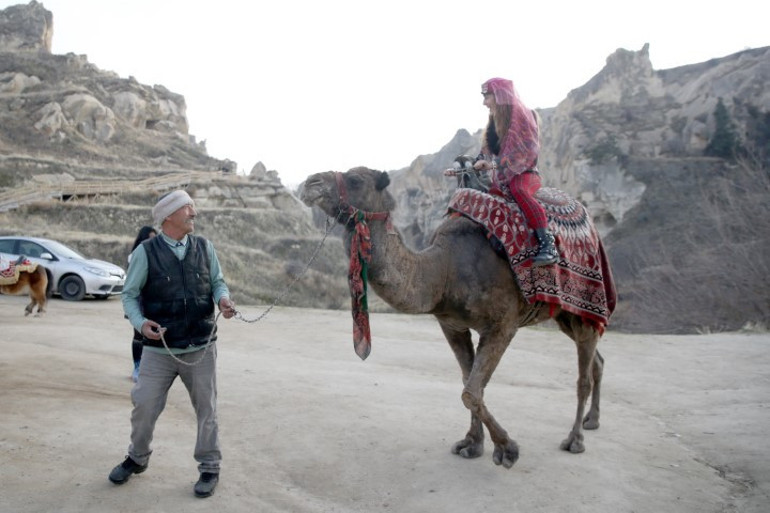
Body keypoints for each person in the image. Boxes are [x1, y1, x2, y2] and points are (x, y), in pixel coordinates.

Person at [109, 190, 236, 498]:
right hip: (158, 350)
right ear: (169, 216)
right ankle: (137, 458)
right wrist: (141, 324)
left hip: (201, 347)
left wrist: (222, 299)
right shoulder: (145, 252)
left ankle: (209, 467)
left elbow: (217, 280)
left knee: (207, 410)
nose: (194, 213)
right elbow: (128, 295)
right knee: (144, 406)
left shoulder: (205, 248)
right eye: (187, 208)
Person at [473, 77, 559, 266]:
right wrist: (473, 164)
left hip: (526, 174)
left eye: (486, 97)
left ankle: (548, 246)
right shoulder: (494, 122)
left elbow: (526, 152)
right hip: (502, 177)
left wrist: (494, 166)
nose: (484, 103)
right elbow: (486, 151)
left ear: (499, 96)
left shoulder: (523, 117)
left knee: (518, 190)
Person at [127, 225, 157, 382]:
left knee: (154, 336)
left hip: (155, 301)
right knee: (138, 335)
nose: (151, 242)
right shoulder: (135, 256)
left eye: (154, 239)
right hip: (140, 301)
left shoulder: (161, 256)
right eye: (149, 239)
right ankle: (137, 367)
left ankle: (150, 369)